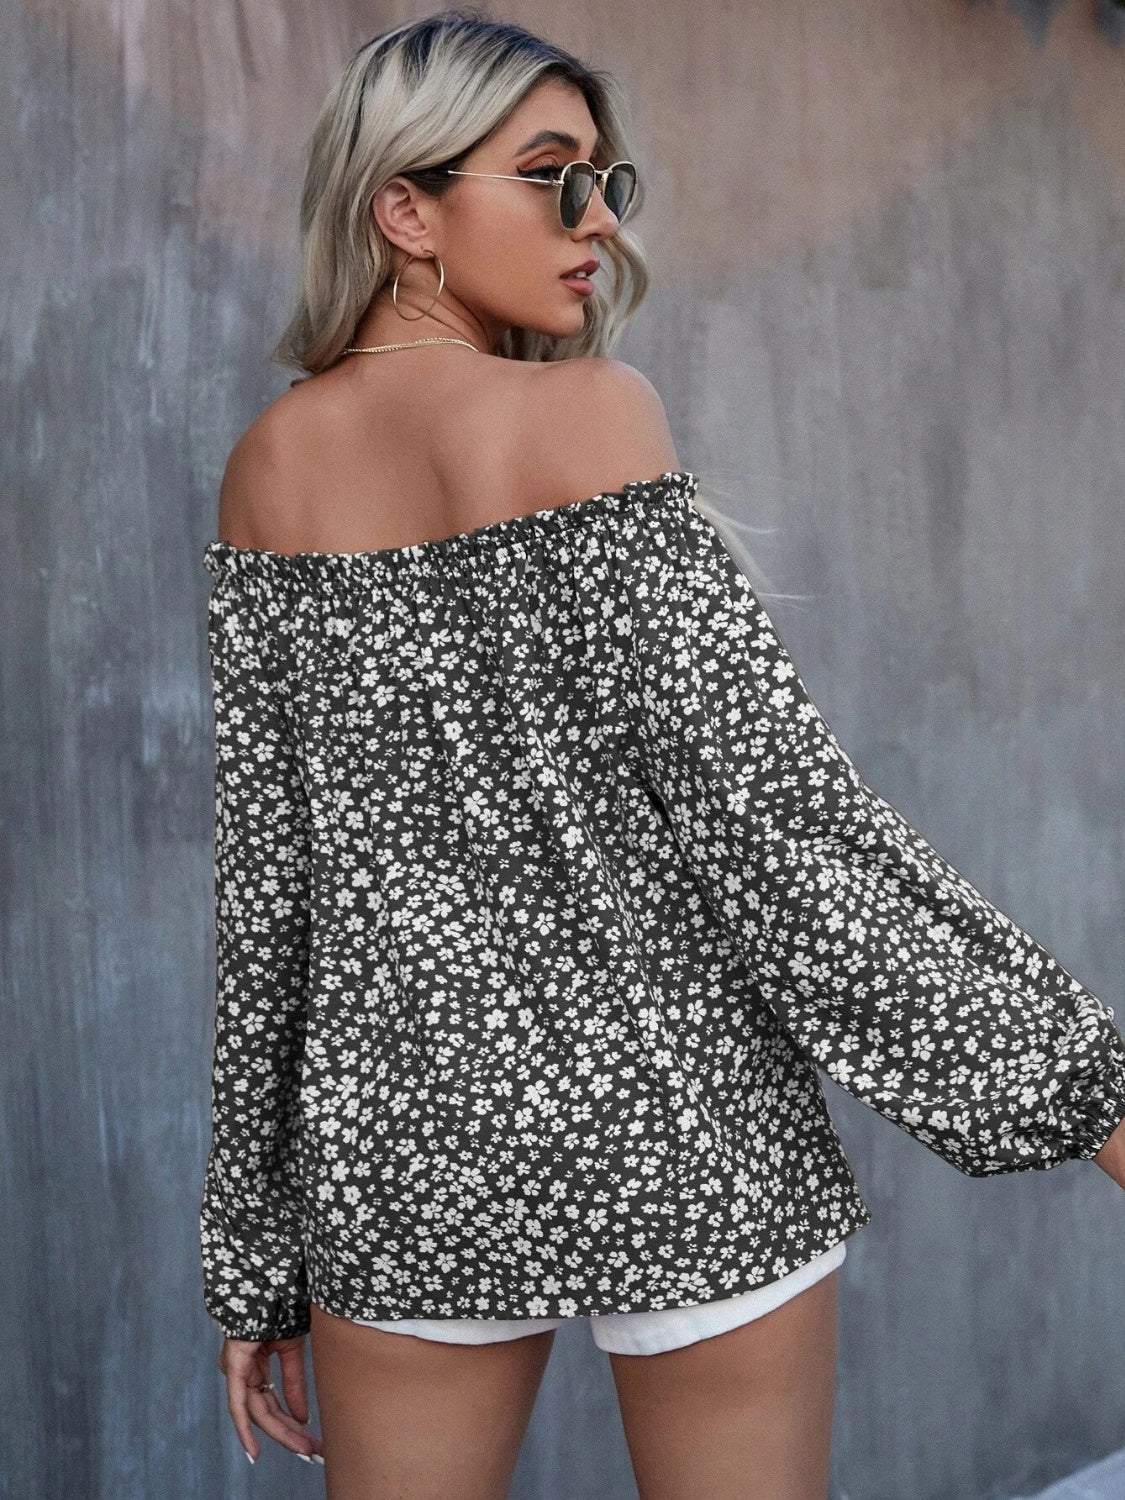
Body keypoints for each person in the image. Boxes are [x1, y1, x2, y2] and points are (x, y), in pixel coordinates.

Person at [198, 11, 1125, 1499]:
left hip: (406, 1149)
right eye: (551, 176)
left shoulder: (268, 465)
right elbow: (779, 839)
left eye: (605, 181)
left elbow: (269, 897)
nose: (599, 223)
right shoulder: (589, 413)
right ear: (404, 210)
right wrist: (1091, 1101)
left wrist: (253, 1256)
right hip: (683, 1120)